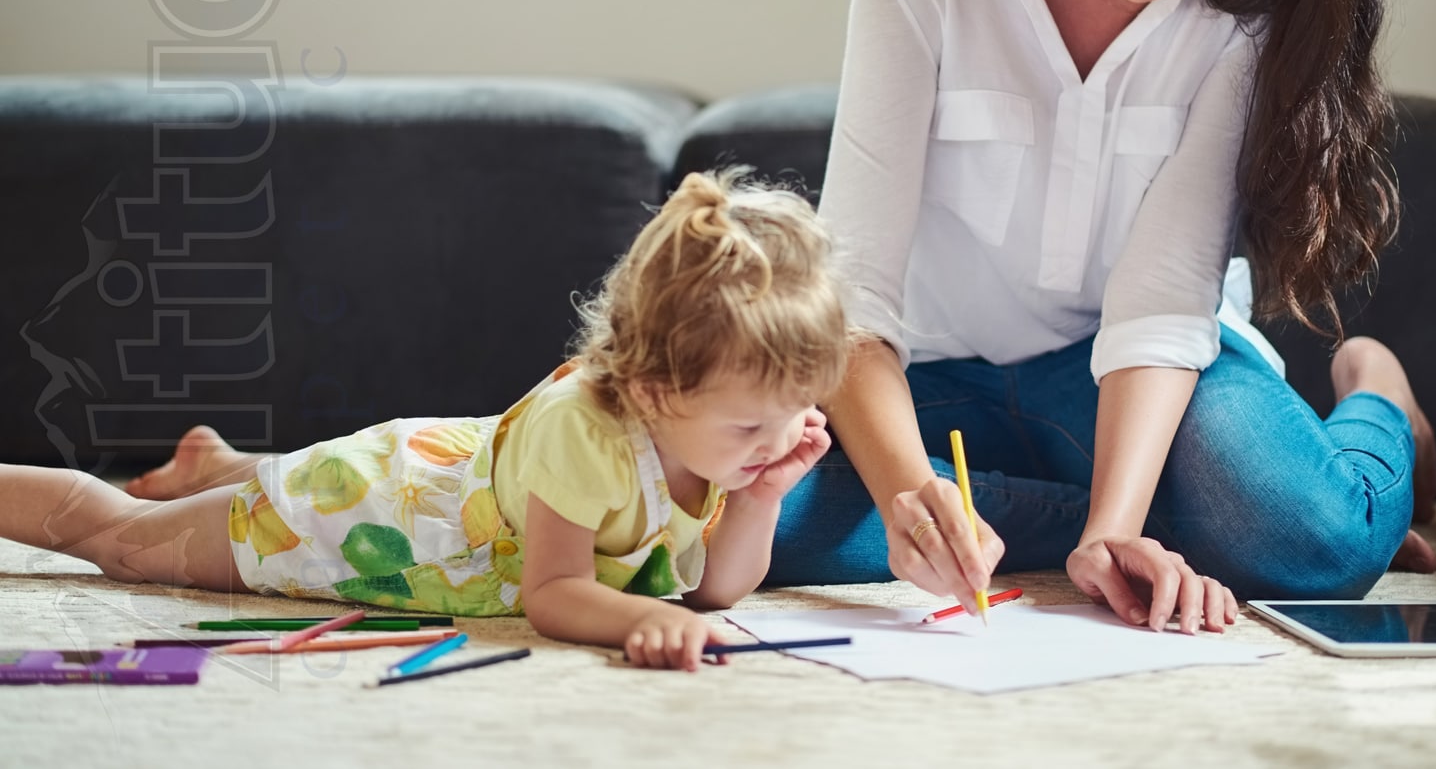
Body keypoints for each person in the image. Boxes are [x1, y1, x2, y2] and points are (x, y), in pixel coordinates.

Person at [765, 0, 1436, 633]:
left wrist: (1111, 535)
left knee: (1317, 545)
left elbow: (1160, 303)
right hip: (927, 379)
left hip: (1131, 377)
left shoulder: (1247, 18)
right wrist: (906, 492)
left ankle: (1378, 391)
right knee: (735, 512)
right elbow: (852, 296)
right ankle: (1143, 515)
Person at [0, 170, 852, 671]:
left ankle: (219, 467)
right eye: (752, 431)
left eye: (792, 418)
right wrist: (642, 620)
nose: (777, 443)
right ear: (658, 391)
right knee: (122, 542)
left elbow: (713, 588)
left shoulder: (721, 436)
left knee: (193, 514)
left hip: (446, 495)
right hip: (368, 511)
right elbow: (554, 596)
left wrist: (760, 495)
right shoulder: (584, 433)